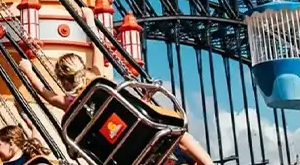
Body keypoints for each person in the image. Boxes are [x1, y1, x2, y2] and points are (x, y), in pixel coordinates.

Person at [19, 53, 213, 165]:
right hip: (149, 135)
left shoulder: (69, 103)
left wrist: (28, 69)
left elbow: (44, 92)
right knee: (180, 134)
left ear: (62, 80)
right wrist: (88, 18)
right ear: (82, 68)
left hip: (125, 159)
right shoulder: (100, 82)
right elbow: (97, 53)